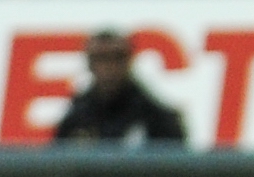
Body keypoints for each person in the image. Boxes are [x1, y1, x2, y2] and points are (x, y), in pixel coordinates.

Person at [53, 31, 185, 143]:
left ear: (130, 61)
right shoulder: (77, 118)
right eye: (101, 59)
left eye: (117, 58)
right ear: (90, 64)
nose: (109, 67)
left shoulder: (155, 118)